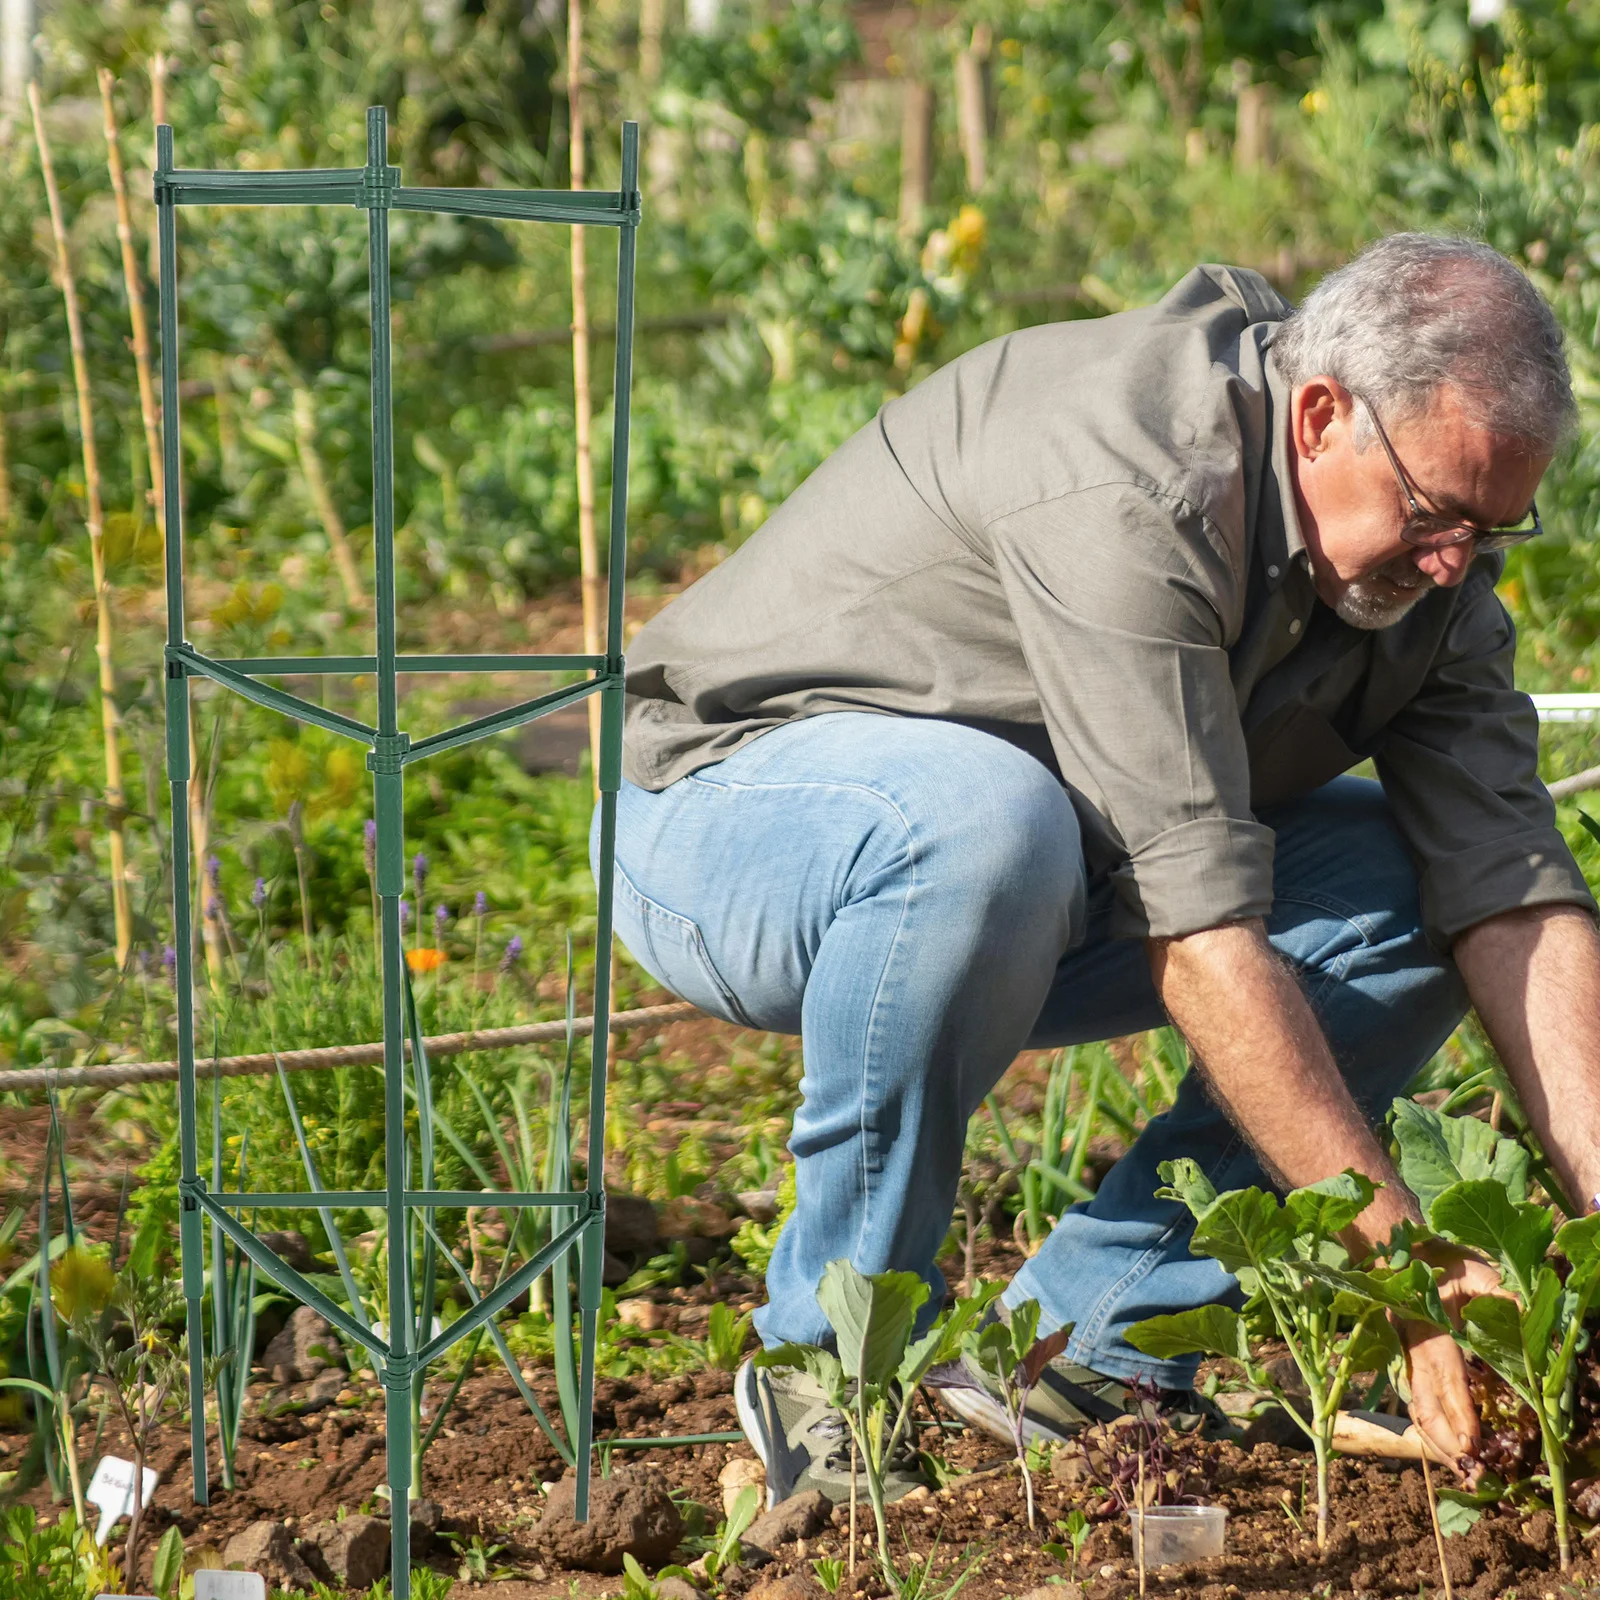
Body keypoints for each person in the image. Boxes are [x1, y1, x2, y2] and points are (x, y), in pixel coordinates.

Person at [594, 234, 1600, 1507]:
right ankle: (829, 1362)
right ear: (1322, 413)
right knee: (982, 822)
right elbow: (1200, 929)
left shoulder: (1427, 587)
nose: (1455, 559)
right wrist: (1399, 1269)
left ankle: (1090, 1344)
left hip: (1039, 875)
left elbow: (1510, 887)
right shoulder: (1136, 480)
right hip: (727, 819)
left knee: (1419, 889)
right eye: (1435, 511)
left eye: (1491, 525)